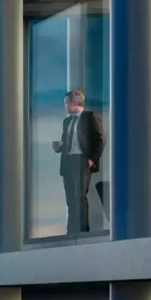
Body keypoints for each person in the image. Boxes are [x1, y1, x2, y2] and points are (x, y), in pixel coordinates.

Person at [51, 89, 105, 234]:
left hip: (83, 161)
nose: (65, 106)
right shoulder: (67, 121)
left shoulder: (90, 117)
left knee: (80, 196)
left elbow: (100, 140)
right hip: (68, 161)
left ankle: (82, 231)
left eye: (66, 103)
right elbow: (67, 141)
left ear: (75, 103)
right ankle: (72, 230)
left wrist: (93, 160)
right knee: (70, 197)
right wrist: (59, 147)